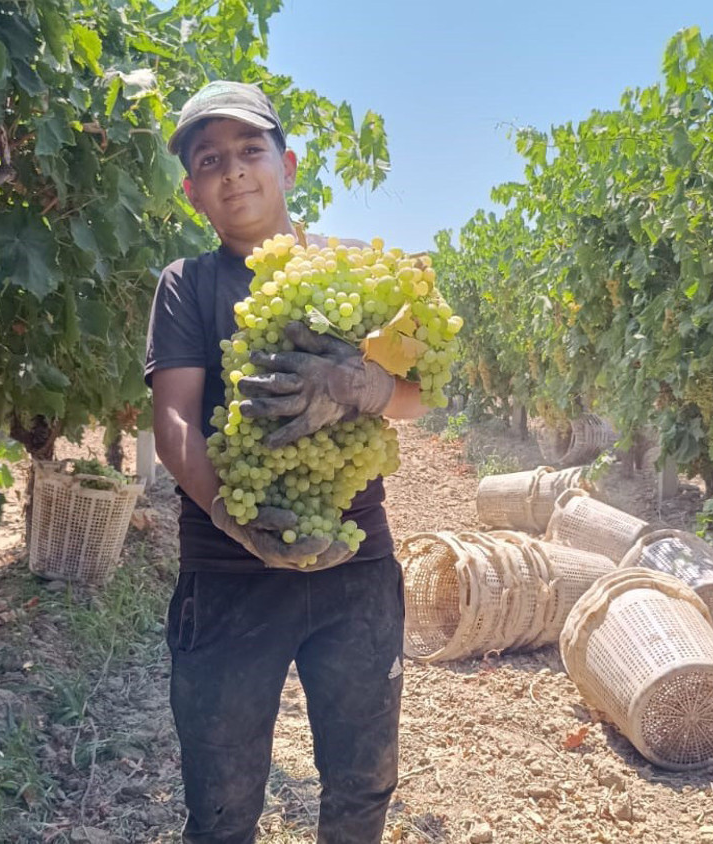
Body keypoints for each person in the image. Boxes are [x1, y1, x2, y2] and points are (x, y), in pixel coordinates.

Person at [145, 80, 429, 844]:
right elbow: (173, 419)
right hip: (229, 575)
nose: (233, 171)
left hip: (356, 568)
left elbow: (416, 398)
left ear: (288, 163)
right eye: (211, 160)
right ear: (192, 190)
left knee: (363, 786)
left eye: (249, 150)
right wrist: (235, 520)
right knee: (223, 804)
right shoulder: (187, 286)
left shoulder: (355, 274)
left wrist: (366, 384)